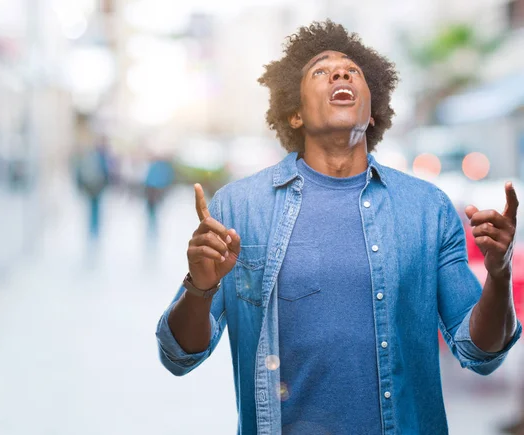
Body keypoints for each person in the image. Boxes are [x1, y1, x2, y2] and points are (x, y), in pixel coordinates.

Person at [155, 20, 521, 434]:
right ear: (294, 113)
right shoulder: (239, 207)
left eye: (353, 71)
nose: (341, 74)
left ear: (372, 108)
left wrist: (498, 274)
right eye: (321, 71)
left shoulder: (427, 209)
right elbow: (178, 356)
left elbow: (482, 351)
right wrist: (199, 287)